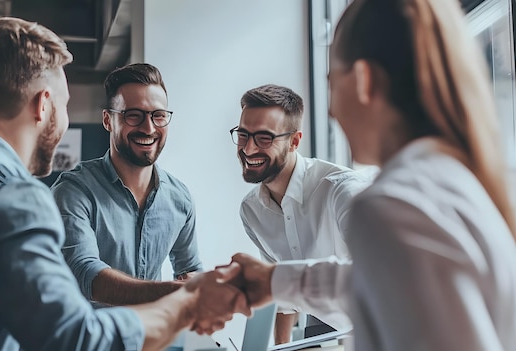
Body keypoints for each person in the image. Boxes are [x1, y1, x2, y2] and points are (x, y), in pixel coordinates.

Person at [0, 17, 249, 351]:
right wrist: (186, 304)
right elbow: (75, 337)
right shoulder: (14, 194)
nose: (63, 120)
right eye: (65, 104)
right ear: (44, 105)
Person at [223, 0, 516, 350]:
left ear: (363, 79)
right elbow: (382, 282)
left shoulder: (387, 204)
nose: (330, 109)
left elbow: (381, 288)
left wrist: (276, 281)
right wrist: (274, 281)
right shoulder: (453, 179)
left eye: (332, 83)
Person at [51, 63, 203, 306]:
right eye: (134, 115)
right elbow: (86, 273)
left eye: (158, 115)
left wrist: (204, 286)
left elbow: (190, 268)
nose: (149, 127)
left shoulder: (179, 198)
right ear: (108, 120)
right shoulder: (74, 191)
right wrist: (173, 293)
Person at [231, 84, 374, 343]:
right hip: (324, 325)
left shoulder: (342, 191)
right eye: (243, 134)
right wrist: (282, 348)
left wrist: (274, 279)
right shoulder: (251, 211)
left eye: (264, 138)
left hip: (377, 328)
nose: (248, 149)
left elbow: (375, 275)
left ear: (294, 141)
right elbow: (283, 300)